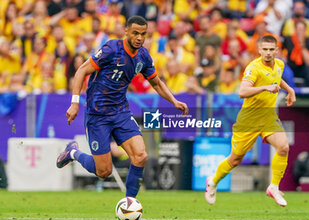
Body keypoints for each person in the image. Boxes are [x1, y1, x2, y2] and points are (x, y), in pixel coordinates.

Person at [56, 16, 188, 202]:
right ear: (126, 32)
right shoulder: (112, 49)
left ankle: (130, 204)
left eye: (143, 34)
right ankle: (72, 153)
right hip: (97, 115)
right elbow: (82, 71)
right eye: (135, 33)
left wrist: (174, 101)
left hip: (120, 113)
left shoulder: (143, 56)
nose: (139, 38)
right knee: (104, 171)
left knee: (140, 156)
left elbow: (156, 83)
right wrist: (75, 102)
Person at [205, 35, 296, 207]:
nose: (268, 53)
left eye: (271, 50)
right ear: (259, 50)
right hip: (249, 118)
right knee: (235, 160)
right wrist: (264, 88)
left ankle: (274, 187)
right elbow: (242, 91)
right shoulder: (253, 68)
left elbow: (276, 79)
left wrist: (289, 89)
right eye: (265, 50)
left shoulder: (280, 65)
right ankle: (213, 181)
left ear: (277, 50)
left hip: (268, 116)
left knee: (284, 147)